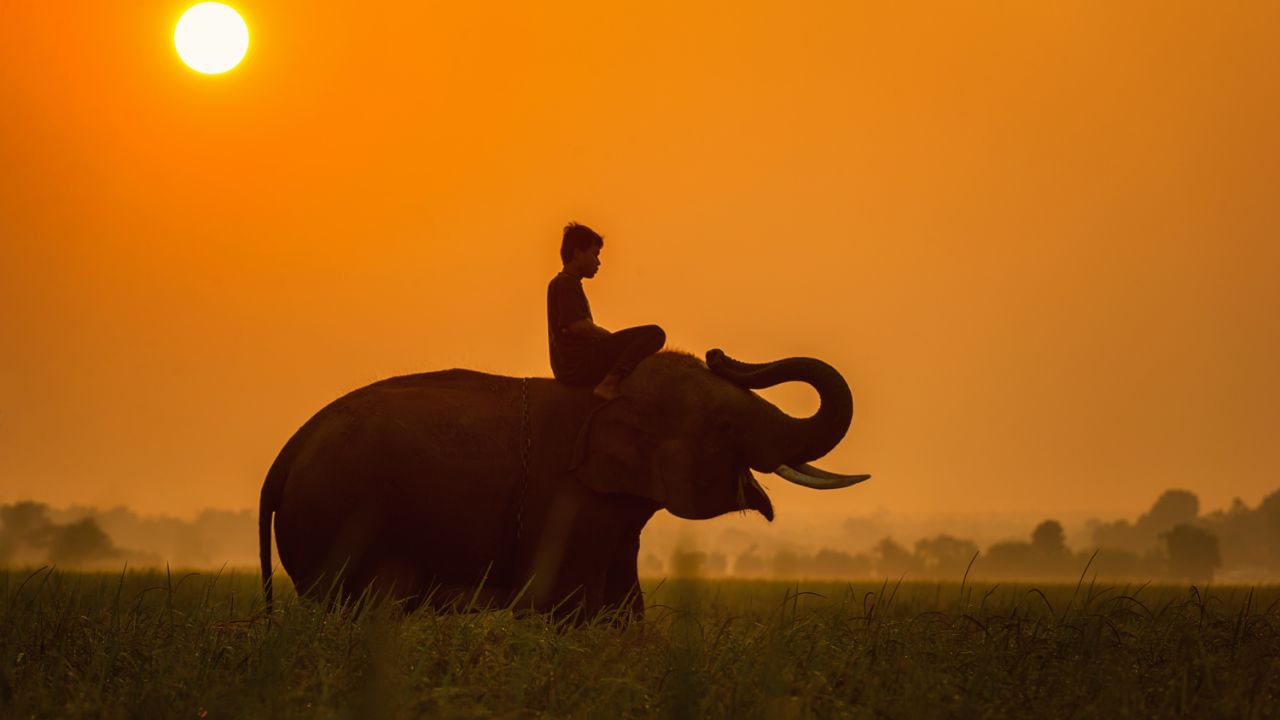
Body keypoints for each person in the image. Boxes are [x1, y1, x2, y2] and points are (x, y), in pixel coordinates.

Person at [547, 222, 666, 401]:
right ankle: (610, 382)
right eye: (595, 254)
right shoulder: (565, 283)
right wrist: (612, 340)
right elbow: (579, 327)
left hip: (573, 364)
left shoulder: (566, 283)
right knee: (654, 334)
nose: (598, 262)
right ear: (578, 254)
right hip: (576, 365)